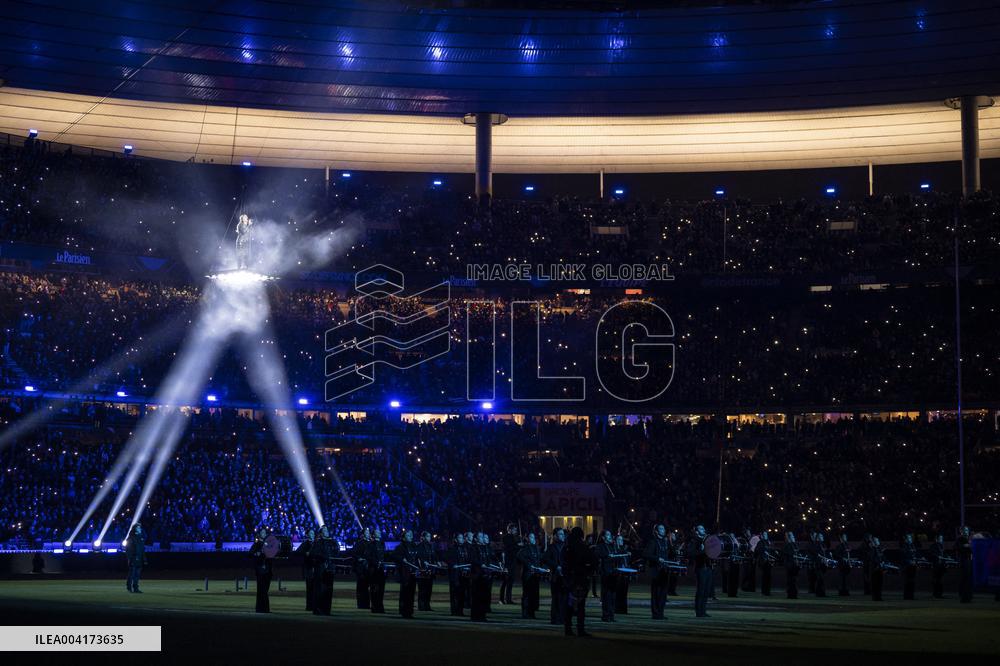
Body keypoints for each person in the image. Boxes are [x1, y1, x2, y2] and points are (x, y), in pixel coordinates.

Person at [563, 526, 595, 637]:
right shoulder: (583, 547)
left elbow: (564, 563)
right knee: (581, 605)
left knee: (570, 604)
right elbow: (593, 561)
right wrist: (588, 571)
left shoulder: (568, 547)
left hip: (571, 579)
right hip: (581, 579)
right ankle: (580, 629)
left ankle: (568, 628)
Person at [642, 524, 672, 619]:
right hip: (655, 571)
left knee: (663, 594)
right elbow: (646, 554)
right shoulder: (653, 542)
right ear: (656, 531)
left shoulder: (666, 542)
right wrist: (657, 558)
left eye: (663, 528)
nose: (663, 530)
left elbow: (670, 554)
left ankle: (661, 613)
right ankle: (655, 614)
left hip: (664, 570)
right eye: (661, 528)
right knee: (656, 593)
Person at [393, 529, 419, 618]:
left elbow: (417, 557)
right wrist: (401, 559)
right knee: (405, 593)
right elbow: (394, 556)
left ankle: (410, 611)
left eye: (411, 535)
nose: (411, 536)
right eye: (408, 535)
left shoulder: (414, 546)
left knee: (411, 593)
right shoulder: (400, 547)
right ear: (404, 537)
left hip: (413, 573)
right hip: (405, 574)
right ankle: (404, 611)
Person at [312, 525, 337, 616]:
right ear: (321, 533)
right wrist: (323, 560)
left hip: (330, 569)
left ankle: (327, 610)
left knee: (329, 590)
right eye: (325, 530)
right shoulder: (318, 542)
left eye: (327, 529)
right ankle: (319, 609)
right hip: (321, 570)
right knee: (320, 590)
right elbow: (314, 554)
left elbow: (336, 553)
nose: (327, 531)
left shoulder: (331, 542)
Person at [470, 532, 495, 622]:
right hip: (477, 575)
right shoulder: (473, 547)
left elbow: (488, 559)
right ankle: (475, 616)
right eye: (480, 537)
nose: (482, 538)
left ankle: (482, 615)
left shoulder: (485, 548)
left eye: (482, 536)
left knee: (484, 596)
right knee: (477, 596)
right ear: (476, 539)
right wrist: (481, 564)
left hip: (485, 575)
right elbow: (473, 559)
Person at [544, 528, 567, 625]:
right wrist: (555, 566)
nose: (563, 536)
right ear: (555, 536)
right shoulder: (552, 547)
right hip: (555, 576)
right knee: (556, 598)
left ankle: (562, 618)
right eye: (560, 534)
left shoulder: (566, 547)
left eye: (563, 534)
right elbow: (545, 559)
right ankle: (555, 618)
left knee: (564, 598)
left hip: (564, 576)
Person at [517, 531, 543, 619]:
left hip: (535, 575)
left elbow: (539, 559)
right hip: (527, 575)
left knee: (534, 594)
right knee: (527, 594)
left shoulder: (536, 548)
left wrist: (540, 568)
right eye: (531, 537)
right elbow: (519, 557)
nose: (533, 539)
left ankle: (532, 612)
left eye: (534, 537)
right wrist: (529, 565)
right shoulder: (525, 548)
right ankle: (525, 612)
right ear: (527, 539)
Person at [594, 530, 618, 622]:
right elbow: (596, 555)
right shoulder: (600, 546)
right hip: (605, 573)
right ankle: (606, 615)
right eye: (608, 535)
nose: (610, 536)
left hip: (613, 573)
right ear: (603, 537)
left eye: (610, 534)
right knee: (606, 595)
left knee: (613, 596)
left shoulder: (613, 546)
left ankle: (611, 615)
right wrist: (607, 555)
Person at [689, 525, 712, 618]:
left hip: (709, 568)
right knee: (701, 591)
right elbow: (690, 553)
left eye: (704, 528)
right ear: (697, 531)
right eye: (701, 528)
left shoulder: (707, 539)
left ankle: (703, 610)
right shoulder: (695, 541)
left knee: (706, 591)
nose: (704, 529)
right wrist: (701, 550)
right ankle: (698, 611)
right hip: (701, 568)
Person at [448, 532, 472, 616]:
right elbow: (451, 563)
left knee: (462, 594)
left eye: (462, 537)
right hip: (455, 576)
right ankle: (455, 611)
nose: (462, 539)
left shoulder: (465, 549)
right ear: (455, 539)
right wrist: (454, 565)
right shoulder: (452, 549)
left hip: (463, 576)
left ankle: (460, 611)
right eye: (460, 537)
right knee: (455, 594)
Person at [249, 528, 272, 613]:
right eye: (262, 532)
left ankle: (264, 608)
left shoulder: (269, 544)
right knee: (261, 590)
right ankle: (261, 609)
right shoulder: (257, 544)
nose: (263, 533)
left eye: (264, 532)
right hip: (260, 570)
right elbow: (250, 554)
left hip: (268, 570)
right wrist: (257, 553)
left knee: (265, 590)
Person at [499, 524, 521, 605]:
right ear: (510, 529)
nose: (515, 531)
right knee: (505, 581)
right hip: (507, 562)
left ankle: (508, 599)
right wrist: (518, 545)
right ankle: (501, 599)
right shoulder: (506, 537)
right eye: (514, 530)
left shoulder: (513, 538)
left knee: (510, 582)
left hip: (513, 562)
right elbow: (510, 548)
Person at [295, 528, 316, 611]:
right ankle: (309, 606)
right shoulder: (305, 543)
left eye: (313, 533)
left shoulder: (316, 543)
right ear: (307, 535)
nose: (313, 534)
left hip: (316, 568)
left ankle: (314, 605)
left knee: (315, 588)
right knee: (310, 588)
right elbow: (297, 552)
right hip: (309, 568)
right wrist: (305, 553)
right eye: (311, 533)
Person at [367, 528, 387, 613]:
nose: (379, 533)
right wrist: (376, 562)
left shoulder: (382, 543)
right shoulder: (371, 544)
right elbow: (368, 556)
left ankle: (380, 606)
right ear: (374, 535)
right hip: (373, 569)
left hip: (381, 569)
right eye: (377, 532)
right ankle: (374, 607)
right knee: (374, 589)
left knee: (381, 589)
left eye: (379, 532)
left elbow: (384, 555)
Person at [352, 528, 371, 609]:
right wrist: (359, 558)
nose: (368, 533)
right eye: (366, 532)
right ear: (362, 534)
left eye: (369, 532)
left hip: (368, 568)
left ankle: (366, 604)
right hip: (361, 568)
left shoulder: (370, 543)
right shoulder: (359, 543)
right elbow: (355, 554)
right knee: (361, 587)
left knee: (367, 587)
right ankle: (361, 604)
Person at [125, 523, 147, 594]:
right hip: (133, 559)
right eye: (138, 528)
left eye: (140, 528)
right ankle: (129, 586)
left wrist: (144, 559)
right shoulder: (131, 538)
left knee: (137, 574)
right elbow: (128, 550)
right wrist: (130, 558)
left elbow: (142, 550)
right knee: (132, 574)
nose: (140, 529)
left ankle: (136, 588)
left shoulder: (141, 538)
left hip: (139, 559)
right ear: (135, 529)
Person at [613, 534, 631, 615]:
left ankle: (623, 609)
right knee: (618, 592)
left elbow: (627, 562)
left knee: (624, 592)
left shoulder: (624, 550)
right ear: (616, 541)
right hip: (618, 574)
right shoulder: (615, 549)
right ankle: (616, 608)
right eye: (619, 540)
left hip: (624, 573)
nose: (621, 541)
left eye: (622, 540)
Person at [956, 526, 973, 603]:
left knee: (968, 578)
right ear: (961, 531)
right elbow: (958, 548)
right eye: (965, 530)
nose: (966, 531)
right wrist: (967, 545)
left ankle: (968, 595)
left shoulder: (969, 539)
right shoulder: (960, 539)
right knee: (964, 578)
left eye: (967, 530)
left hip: (969, 560)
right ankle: (963, 595)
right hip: (964, 560)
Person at [756, 530, 774, 596]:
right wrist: (764, 551)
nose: (765, 536)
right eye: (764, 535)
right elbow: (757, 551)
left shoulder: (768, 542)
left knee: (768, 577)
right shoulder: (760, 542)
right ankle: (764, 591)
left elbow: (771, 550)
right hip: (763, 562)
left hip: (769, 561)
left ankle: (767, 591)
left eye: (766, 534)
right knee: (765, 577)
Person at [928, 534, 947, 599]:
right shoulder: (933, 546)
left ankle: (939, 594)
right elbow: (931, 554)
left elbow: (943, 554)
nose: (942, 540)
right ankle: (935, 594)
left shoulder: (941, 546)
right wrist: (937, 556)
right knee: (936, 580)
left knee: (940, 580)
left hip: (941, 565)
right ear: (937, 539)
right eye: (940, 538)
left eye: (942, 538)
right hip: (936, 565)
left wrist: (946, 558)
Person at [900, 533, 918, 600]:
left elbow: (915, 554)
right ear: (906, 539)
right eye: (908, 538)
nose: (910, 539)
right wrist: (909, 561)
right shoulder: (904, 546)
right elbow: (903, 556)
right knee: (907, 581)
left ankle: (911, 595)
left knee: (912, 581)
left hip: (913, 566)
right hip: (907, 566)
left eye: (910, 538)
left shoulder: (912, 545)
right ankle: (907, 596)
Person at [811, 531, 828, 598]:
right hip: (818, 565)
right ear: (818, 538)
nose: (822, 537)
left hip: (822, 564)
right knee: (820, 579)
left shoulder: (823, 544)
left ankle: (820, 592)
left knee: (821, 579)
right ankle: (819, 593)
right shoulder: (816, 545)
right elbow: (815, 555)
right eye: (821, 536)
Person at [784, 531, 800, 599]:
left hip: (795, 566)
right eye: (793, 537)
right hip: (790, 566)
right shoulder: (787, 546)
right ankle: (791, 595)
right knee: (791, 581)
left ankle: (794, 594)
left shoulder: (794, 545)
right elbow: (786, 557)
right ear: (790, 538)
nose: (794, 538)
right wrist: (789, 565)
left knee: (794, 581)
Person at [740, 528, 757, 592]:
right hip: (746, 558)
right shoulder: (744, 539)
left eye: (748, 532)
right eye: (746, 533)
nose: (747, 534)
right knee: (745, 573)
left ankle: (752, 587)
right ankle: (744, 587)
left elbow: (755, 547)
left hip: (752, 557)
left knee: (752, 573)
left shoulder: (753, 538)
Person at [870, 537, 885, 602]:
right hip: (875, 569)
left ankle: (879, 597)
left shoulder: (879, 549)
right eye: (876, 541)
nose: (878, 542)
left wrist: (883, 561)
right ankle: (875, 597)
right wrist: (878, 563)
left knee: (879, 583)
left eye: (877, 540)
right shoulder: (873, 549)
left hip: (879, 569)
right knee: (875, 584)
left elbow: (882, 557)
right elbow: (872, 559)